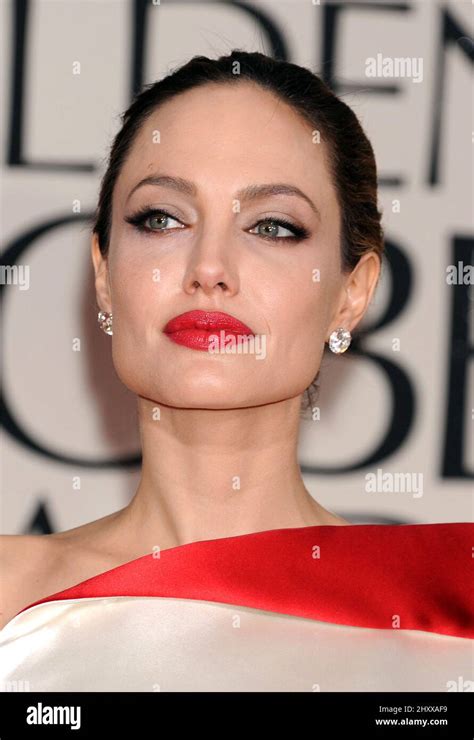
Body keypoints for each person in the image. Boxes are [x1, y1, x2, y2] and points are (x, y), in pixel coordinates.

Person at [1, 50, 472, 692]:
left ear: (351, 292)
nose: (210, 266)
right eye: (162, 219)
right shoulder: (11, 600)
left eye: (273, 226)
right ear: (105, 274)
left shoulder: (447, 607)